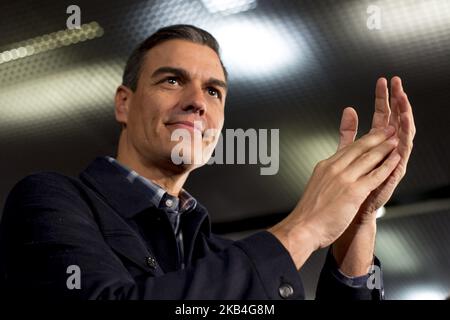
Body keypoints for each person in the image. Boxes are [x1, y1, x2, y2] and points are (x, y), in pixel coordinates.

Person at [0, 24, 415, 299]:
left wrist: (359, 221)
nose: (197, 102)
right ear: (124, 104)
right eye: (172, 80)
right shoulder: (50, 201)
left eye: (214, 92)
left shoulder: (218, 255)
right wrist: (303, 227)